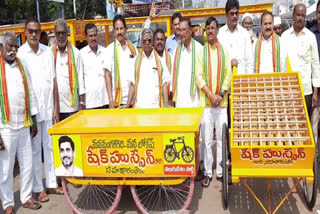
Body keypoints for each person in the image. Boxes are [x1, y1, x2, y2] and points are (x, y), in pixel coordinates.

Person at [18, 17, 63, 204]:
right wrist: (30, 114)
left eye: (37, 31)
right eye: (31, 31)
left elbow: (53, 82)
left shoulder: (47, 51)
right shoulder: (21, 54)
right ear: (26, 32)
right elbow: (23, 86)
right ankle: (39, 188)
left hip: (48, 108)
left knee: (50, 147)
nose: (34, 34)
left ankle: (52, 183)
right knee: (35, 151)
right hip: (33, 113)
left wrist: (56, 108)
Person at [0, 31, 40, 214]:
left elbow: (30, 93)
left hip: (24, 123)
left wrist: (33, 119)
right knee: (6, 169)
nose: (13, 50)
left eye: (16, 46)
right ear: (2, 46)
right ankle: (8, 203)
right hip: (5, 127)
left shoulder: (21, 66)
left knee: (27, 164)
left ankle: (25, 197)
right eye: (10, 46)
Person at [197, 17, 232, 187]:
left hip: (222, 102)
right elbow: (198, 76)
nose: (210, 31)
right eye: (208, 28)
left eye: (213, 28)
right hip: (207, 103)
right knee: (207, 138)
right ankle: (208, 172)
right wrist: (211, 95)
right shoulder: (201, 52)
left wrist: (220, 94)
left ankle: (220, 172)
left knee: (222, 139)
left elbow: (228, 74)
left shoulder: (224, 51)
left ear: (217, 30)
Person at [281, 3, 320, 121]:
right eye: (298, 15)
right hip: (288, 90)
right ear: (293, 16)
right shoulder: (284, 37)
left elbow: (315, 64)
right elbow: (281, 64)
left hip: (306, 90)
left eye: (303, 15)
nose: (300, 18)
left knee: (305, 123)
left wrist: (315, 92)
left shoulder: (310, 37)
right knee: (290, 123)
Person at [52, 19, 85, 120]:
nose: (61, 36)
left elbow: (80, 79)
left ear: (67, 33)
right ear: (55, 34)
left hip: (73, 108)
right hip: (56, 109)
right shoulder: (49, 53)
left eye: (63, 33)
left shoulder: (76, 53)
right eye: (58, 33)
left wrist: (82, 104)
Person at [130, 28, 171, 108]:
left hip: (155, 107)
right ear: (141, 43)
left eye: (149, 40)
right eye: (144, 41)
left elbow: (164, 84)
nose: (147, 43)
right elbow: (132, 83)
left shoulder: (160, 61)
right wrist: (128, 103)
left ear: (152, 42)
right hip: (140, 107)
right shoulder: (135, 61)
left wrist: (166, 104)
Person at [104, 15, 138, 108]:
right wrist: (110, 100)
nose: (119, 32)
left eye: (121, 28)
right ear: (114, 32)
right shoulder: (109, 50)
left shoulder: (133, 49)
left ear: (125, 29)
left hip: (133, 100)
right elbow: (107, 75)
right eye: (117, 29)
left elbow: (136, 73)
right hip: (117, 101)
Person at [172, 17, 203, 108]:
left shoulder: (199, 49)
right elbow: (173, 76)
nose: (181, 33)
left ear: (190, 31)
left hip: (195, 101)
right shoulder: (177, 51)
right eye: (180, 30)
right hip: (180, 101)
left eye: (184, 30)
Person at [218, 0, 254, 74]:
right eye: (232, 13)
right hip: (224, 82)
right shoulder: (219, 34)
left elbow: (250, 61)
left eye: (236, 13)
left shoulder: (244, 34)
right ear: (226, 15)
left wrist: (248, 81)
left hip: (241, 81)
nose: (234, 16)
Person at [80, 23, 109, 109]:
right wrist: (82, 102)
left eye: (95, 35)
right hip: (90, 103)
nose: (93, 38)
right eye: (90, 36)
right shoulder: (81, 54)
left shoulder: (105, 52)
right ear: (86, 37)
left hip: (105, 101)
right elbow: (80, 80)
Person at [309, 0, 320, 144]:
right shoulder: (311, 34)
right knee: (314, 124)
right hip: (315, 86)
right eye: (319, 12)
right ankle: (315, 161)